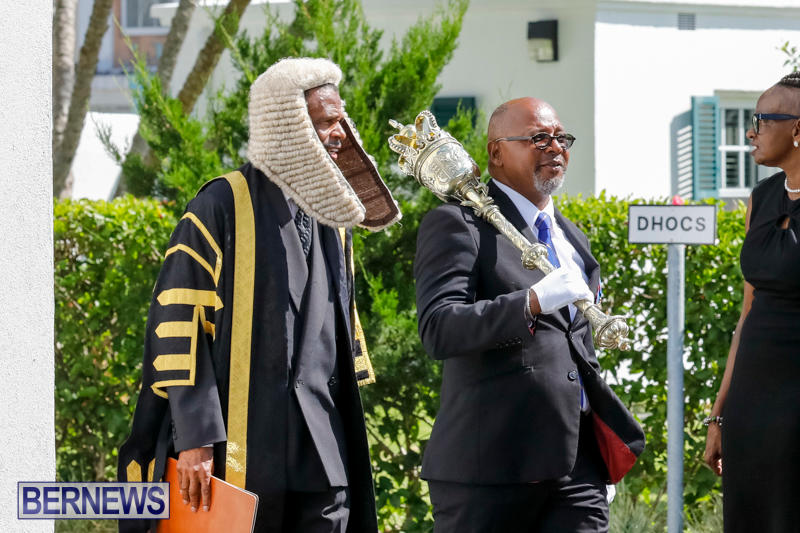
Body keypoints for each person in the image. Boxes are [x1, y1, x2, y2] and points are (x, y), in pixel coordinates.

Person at [117, 57, 400, 533]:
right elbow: (179, 324)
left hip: (323, 448)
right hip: (240, 447)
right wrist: (195, 438)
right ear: (287, 126)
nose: (341, 133)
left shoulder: (335, 215)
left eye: (340, 119)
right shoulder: (219, 204)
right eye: (326, 122)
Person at [414, 97, 645, 532]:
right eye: (538, 138)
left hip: (577, 467)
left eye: (561, 138)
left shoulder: (573, 238)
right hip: (490, 468)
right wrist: (530, 302)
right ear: (496, 152)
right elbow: (439, 328)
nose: (554, 147)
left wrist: (596, 454)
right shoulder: (459, 225)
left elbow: (576, 350)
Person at [704, 72, 800, 533]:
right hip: (752, 400)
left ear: (797, 130)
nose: (750, 131)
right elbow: (747, 313)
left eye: (762, 120)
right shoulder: (760, 199)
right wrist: (720, 411)